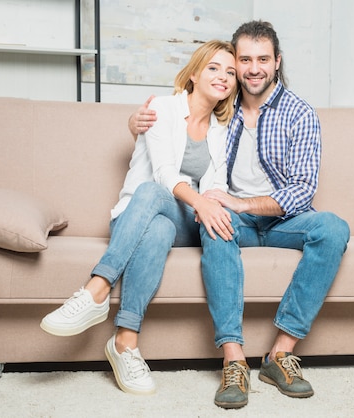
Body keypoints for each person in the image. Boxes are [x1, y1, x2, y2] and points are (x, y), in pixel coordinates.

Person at [129, 20, 350, 409]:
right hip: (235, 221)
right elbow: (176, 119)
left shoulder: (299, 114)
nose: (253, 68)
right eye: (244, 59)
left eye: (263, 59)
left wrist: (244, 203)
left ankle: (280, 355)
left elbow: (302, 189)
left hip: (284, 220)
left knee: (333, 228)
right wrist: (137, 125)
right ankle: (234, 361)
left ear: (277, 62)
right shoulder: (220, 111)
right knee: (214, 226)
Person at [40, 40, 238, 395]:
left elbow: (216, 185)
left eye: (230, 72)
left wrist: (206, 204)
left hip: (187, 221)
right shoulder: (161, 108)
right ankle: (124, 343)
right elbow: (162, 172)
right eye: (214, 68)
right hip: (137, 216)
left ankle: (95, 291)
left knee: (161, 207)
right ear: (193, 74)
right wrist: (202, 202)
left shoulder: (223, 132)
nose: (223, 76)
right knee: (154, 212)